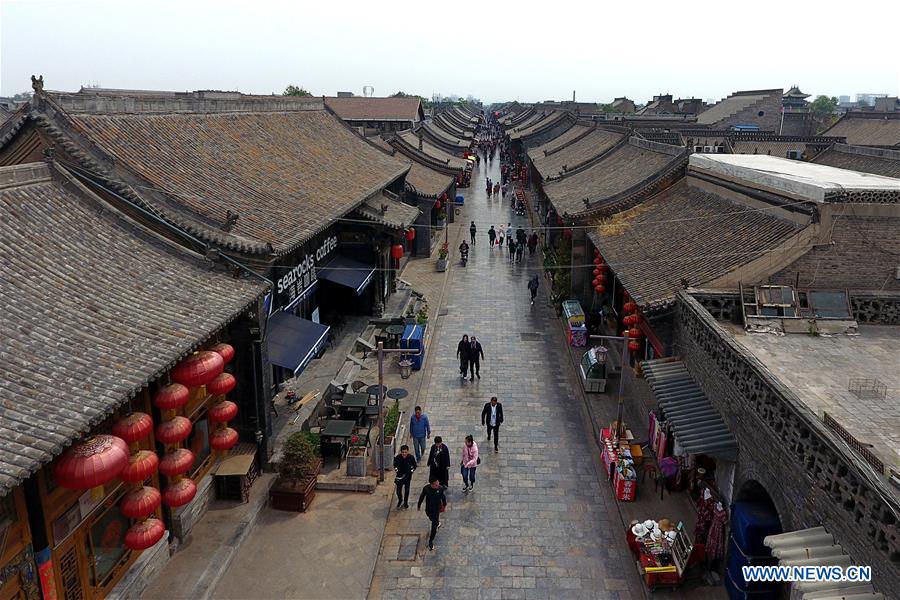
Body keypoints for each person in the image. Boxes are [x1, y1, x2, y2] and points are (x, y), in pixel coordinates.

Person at [417, 476, 447, 551]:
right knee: (430, 517)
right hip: (429, 509)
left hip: (436, 509)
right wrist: (419, 505)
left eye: (438, 484)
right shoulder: (426, 489)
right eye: (436, 485)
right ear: (432, 484)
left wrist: (444, 505)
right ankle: (436, 523)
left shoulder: (440, 489)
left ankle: (431, 541)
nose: (438, 486)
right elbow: (422, 496)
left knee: (434, 526)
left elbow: (443, 497)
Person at [393, 445, 417, 509]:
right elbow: (395, 465)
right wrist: (397, 470)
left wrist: (411, 471)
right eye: (403, 452)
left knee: (407, 491)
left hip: (407, 477)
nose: (404, 454)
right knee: (398, 491)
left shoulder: (411, 457)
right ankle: (400, 500)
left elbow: (414, 465)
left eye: (405, 452)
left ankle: (405, 502)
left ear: (408, 451)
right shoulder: (397, 457)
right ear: (401, 452)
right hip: (400, 476)